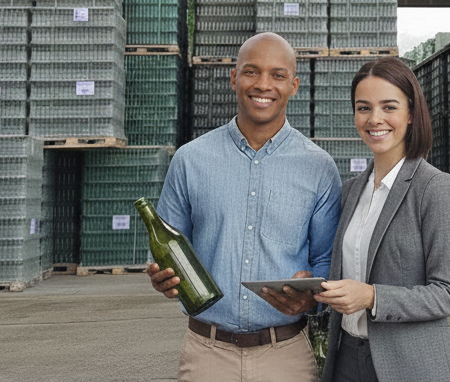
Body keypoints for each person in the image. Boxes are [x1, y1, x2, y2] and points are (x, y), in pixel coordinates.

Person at [146, 32, 343, 382]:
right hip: (206, 354)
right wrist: (163, 277)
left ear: (293, 85)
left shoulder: (319, 167)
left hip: (287, 357)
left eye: (277, 75)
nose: (263, 85)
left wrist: (312, 298)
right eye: (251, 72)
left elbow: (327, 260)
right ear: (234, 78)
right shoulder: (191, 160)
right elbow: (170, 248)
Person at [314, 56, 450, 382]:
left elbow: (448, 293)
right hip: (346, 360)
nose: (375, 119)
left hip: (407, 365)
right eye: (364, 107)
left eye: (389, 107)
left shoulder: (434, 188)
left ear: (411, 114)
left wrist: (371, 297)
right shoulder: (350, 191)